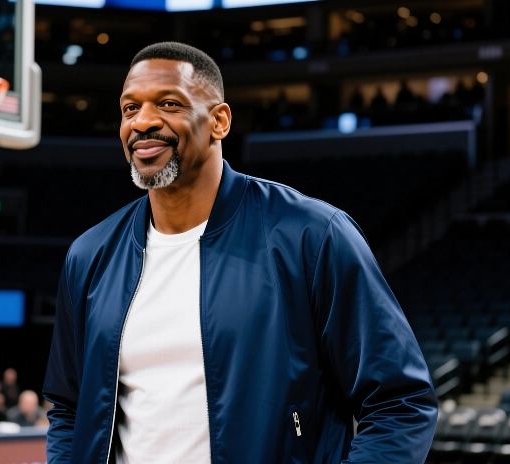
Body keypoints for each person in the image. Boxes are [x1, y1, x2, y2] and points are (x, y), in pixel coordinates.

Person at [42, 42, 436, 463]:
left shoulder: (311, 235)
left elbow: (401, 403)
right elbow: (68, 409)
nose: (143, 121)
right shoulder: (90, 254)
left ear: (219, 121)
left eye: (169, 104)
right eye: (130, 108)